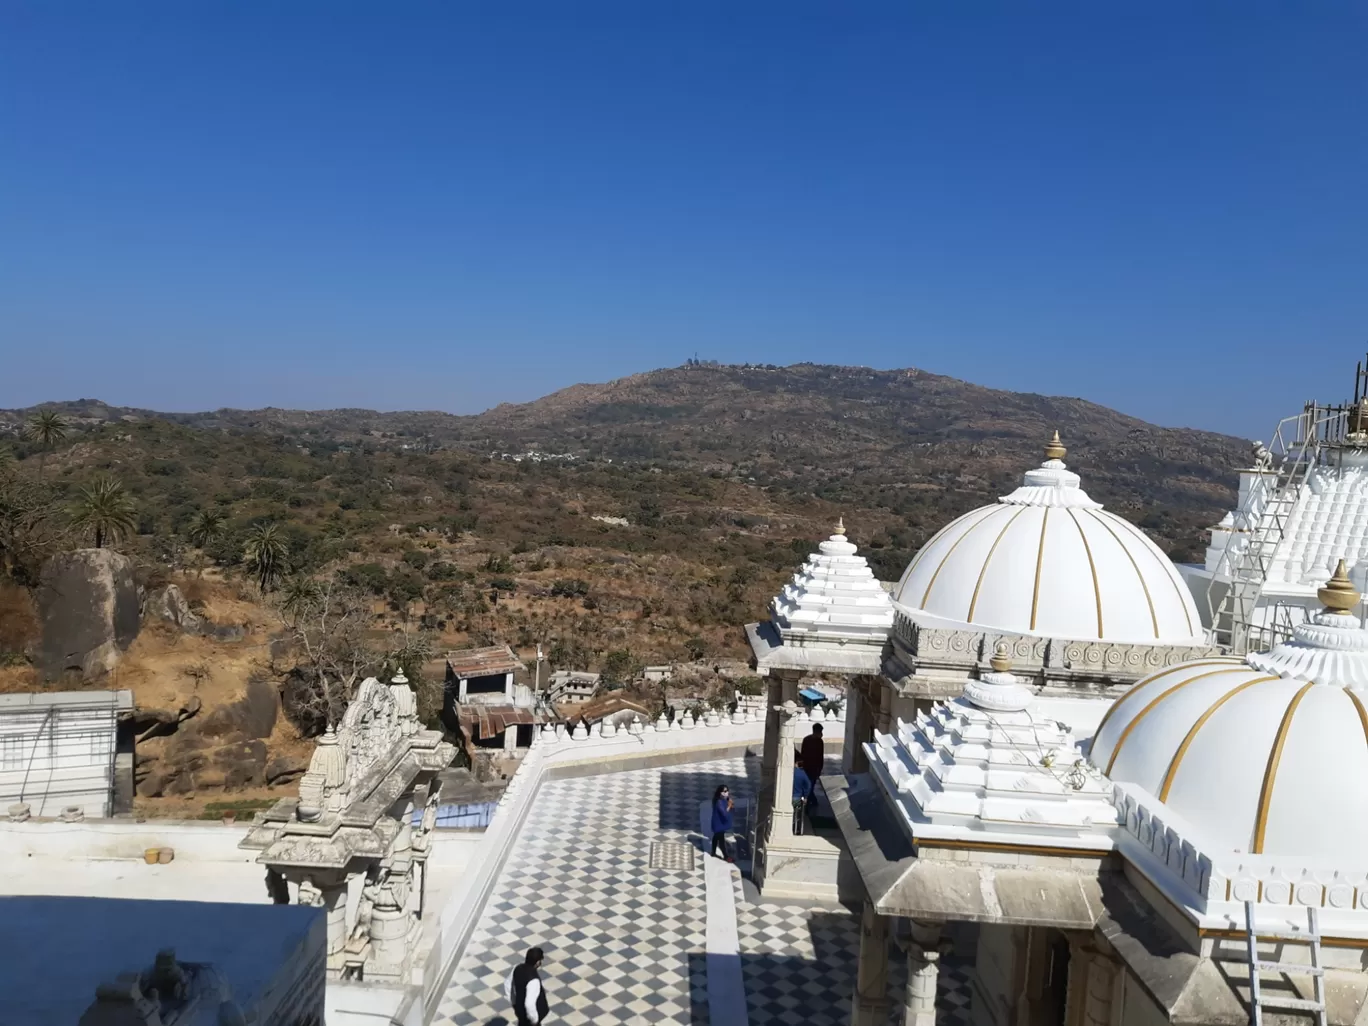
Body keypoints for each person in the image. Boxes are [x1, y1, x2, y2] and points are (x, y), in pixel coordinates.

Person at [504, 946, 549, 1026]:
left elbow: (507, 985)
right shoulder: (533, 980)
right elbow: (529, 1004)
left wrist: (514, 1003)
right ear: (537, 962)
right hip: (529, 1020)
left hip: (521, 1013)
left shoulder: (517, 968)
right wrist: (534, 1020)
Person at [800, 723, 825, 809]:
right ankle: (811, 802)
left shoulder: (809, 740)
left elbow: (820, 757)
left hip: (811, 768)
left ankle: (810, 802)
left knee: (809, 786)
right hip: (810, 768)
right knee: (809, 787)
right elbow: (820, 757)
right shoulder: (817, 741)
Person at [711, 784, 734, 861]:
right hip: (719, 823)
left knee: (716, 837)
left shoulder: (725, 799)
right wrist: (729, 806)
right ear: (720, 792)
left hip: (720, 822)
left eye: (727, 790)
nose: (727, 792)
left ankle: (713, 852)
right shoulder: (719, 802)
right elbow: (724, 813)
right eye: (725, 791)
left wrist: (729, 803)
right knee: (721, 840)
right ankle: (726, 856)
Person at [791, 765, 812, 834]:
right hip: (797, 798)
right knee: (798, 814)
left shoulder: (789, 772)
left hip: (788, 797)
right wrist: (805, 796)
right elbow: (808, 785)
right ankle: (797, 829)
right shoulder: (802, 773)